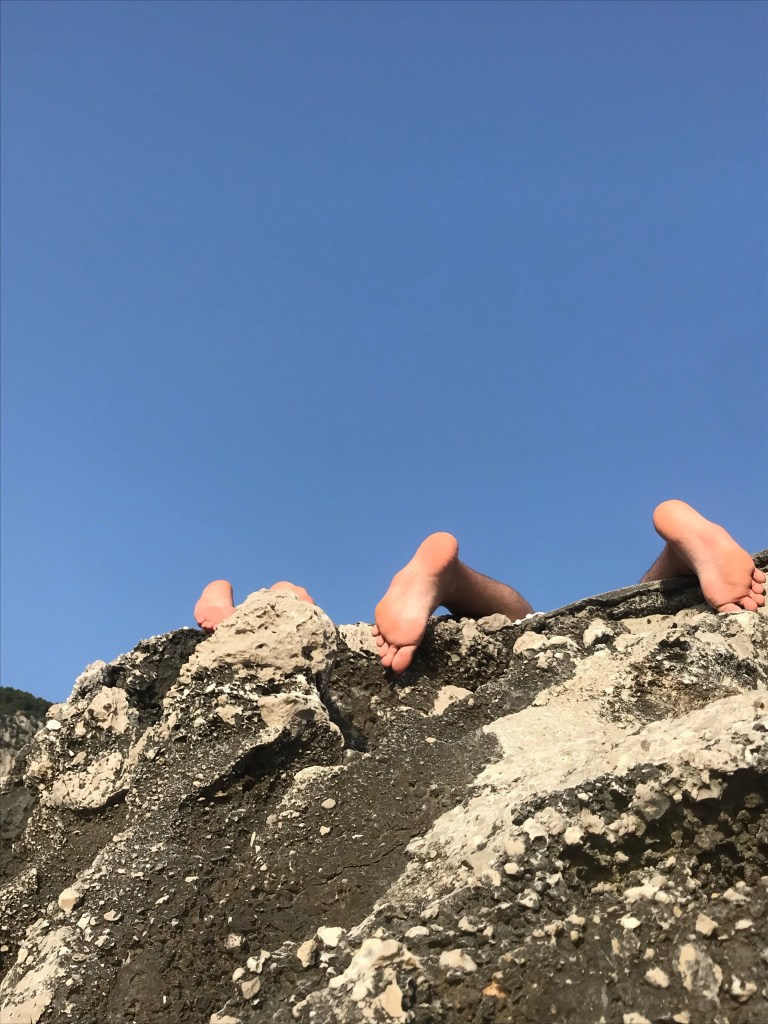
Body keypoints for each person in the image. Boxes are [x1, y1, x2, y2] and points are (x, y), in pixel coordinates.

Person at [195, 500, 765, 675]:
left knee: (522, 621)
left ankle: (273, 605)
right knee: (536, 620)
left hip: (313, 629)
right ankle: (677, 552)